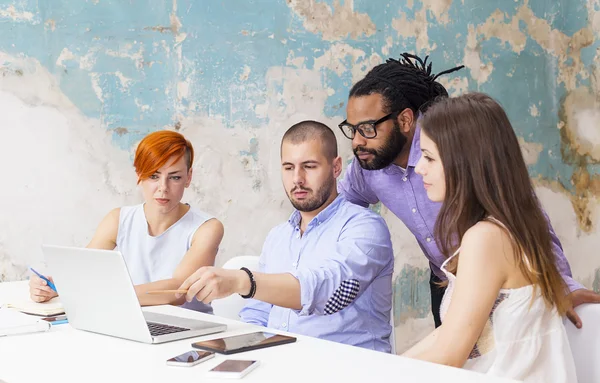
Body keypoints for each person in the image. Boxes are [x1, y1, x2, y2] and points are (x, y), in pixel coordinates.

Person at [338, 52, 599, 328]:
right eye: (351, 129)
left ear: (404, 121)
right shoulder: (369, 163)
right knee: (457, 362)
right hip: (445, 281)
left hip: (501, 281)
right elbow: (340, 206)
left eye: (367, 128)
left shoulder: (452, 145)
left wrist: (561, 284)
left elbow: (526, 218)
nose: (357, 142)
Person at [402, 92, 580, 383]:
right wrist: (383, 367)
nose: (418, 168)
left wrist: (373, 379)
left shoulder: (486, 237)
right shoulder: (510, 224)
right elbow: (448, 335)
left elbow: (450, 353)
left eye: (429, 157)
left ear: (465, 163)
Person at [177, 121, 395, 352]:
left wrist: (243, 281)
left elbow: (330, 291)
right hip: (280, 368)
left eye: (309, 166)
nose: (297, 179)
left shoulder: (365, 227)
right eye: (288, 167)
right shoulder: (278, 236)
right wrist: (240, 354)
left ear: (336, 167)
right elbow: (258, 313)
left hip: (349, 371)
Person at [29, 130, 224, 311]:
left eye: (174, 177)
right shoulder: (118, 219)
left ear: (189, 178)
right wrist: (53, 285)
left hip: (191, 333)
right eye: (153, 176)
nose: (163, 188)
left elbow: (178, 291)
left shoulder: (206, 228)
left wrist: (98, 293)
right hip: (134, 323)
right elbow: (82, 271)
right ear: (139, 174)